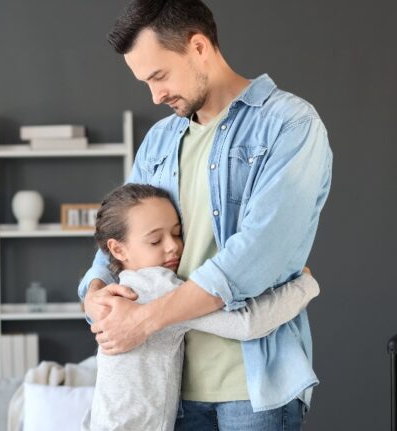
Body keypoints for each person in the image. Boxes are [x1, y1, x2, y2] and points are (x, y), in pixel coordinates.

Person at [78, 0, 332, 429]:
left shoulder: (290, 125)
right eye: (145, 83)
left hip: (251, 388)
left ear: (199, 46)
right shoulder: (158, 141)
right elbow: (121, 231)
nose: (155, 95)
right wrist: (95, 290)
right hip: (168, 391)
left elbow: (254, 258)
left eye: (159, 76)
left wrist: (143, 321)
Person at [82, 183, 319, 431]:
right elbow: (247, 324)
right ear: (118, 249)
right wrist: (304, 286)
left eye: (177, 233)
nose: (173, 246)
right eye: (155, 241)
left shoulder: (116, 290)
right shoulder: (155, 286)